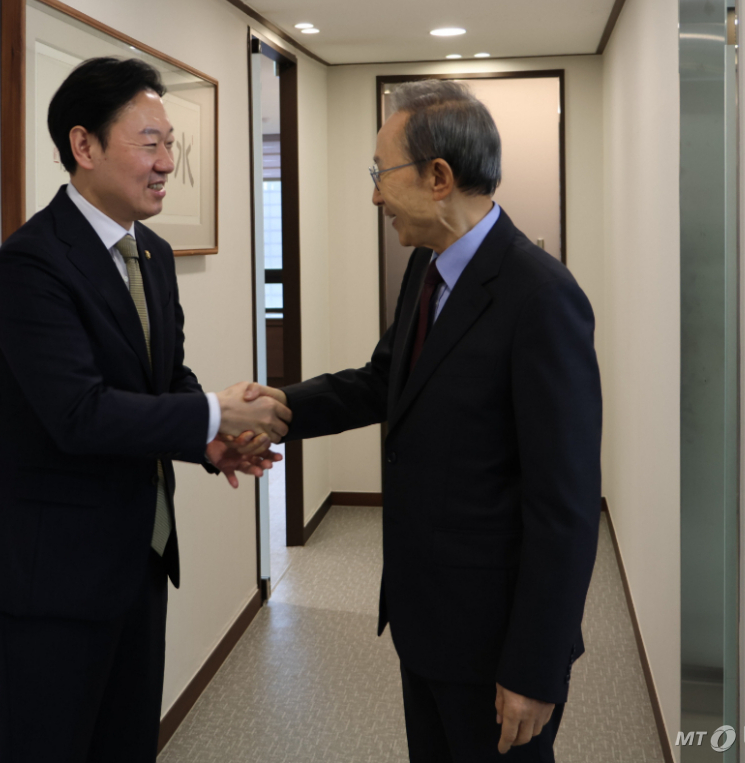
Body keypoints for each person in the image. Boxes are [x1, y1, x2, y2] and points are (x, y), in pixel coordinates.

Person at [244, 80, 602, 761]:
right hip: (427, 620)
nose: (375, 196)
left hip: (497, 641)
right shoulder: (426, 268)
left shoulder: (541, 298)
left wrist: (535, 666)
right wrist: (276, 411)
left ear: (438, 177)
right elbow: (385, 383)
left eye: (381, 174)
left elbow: (566, 506)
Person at [0, 57, 289, 762]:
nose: (167, 163)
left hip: (139, 556)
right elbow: (78, 414)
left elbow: (164, 377)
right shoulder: (31, 263)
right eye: (150, 144)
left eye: (171, 144)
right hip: (54, 575)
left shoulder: (153, 254)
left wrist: (207, 442)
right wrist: (213, 415)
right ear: (83, 146)